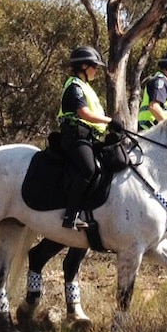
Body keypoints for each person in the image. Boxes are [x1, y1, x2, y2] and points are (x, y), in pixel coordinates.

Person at [57, 45, 121, 230]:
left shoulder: (86, 87)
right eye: (95, 66)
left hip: (89, 138)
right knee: (89, 169)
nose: (97, 70)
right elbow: (83, 113)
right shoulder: (74, 86)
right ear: (84, 66)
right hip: (75, 136)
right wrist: (110, 121)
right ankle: (70, 216)